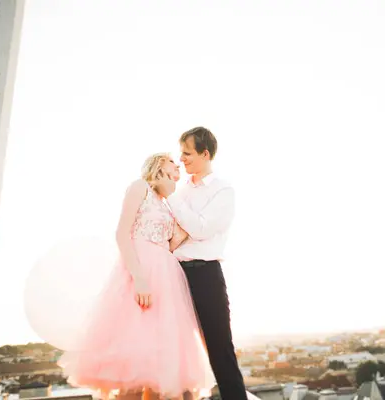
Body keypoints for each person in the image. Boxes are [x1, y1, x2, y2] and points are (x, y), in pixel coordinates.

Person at [58, 152, 213, 400]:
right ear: (159, 164)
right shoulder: (139, 187)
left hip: (167, 277)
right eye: (173, 161)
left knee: (160, 363)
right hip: (140, 270)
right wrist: (139, 279)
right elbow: (122, 233)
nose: (179, 165)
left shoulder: (169, 203)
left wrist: (185, 223)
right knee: (132, 359)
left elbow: (172, 244)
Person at [156, 127, 248, 400]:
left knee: (220, 349)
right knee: (174, 349)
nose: (181, 159)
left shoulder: (223, 190)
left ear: (205, 154)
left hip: (206, 275)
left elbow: (201, 228)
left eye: (187, 153)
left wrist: (182, 218)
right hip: (175, 275)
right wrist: (185, 227)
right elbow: (172, 230)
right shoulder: (182, 190)